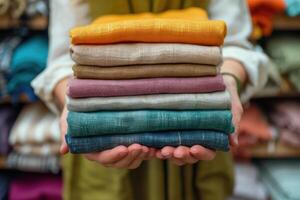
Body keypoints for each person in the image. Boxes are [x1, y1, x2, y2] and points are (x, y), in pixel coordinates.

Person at [32, 0, 270, 199]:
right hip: (104, 149)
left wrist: (227, 80)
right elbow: (66, 57)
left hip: (198, 147)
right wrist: (74, 105)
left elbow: (233, 43)